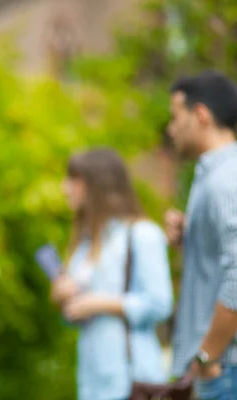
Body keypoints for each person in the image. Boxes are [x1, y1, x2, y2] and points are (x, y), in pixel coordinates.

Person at [51, 148, 173, 400]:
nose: (65, 188)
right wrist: (64, 298)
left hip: (132, 378)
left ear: (98, 184)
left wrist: (101, 303)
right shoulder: (86, 242)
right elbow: (75, 314)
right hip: (93, 382)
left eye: (74, 180)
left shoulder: (141, 234)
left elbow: (160, 304)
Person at [166, 70, 237, 399]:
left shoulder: (227, 179)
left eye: (175, 117)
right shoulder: (213, 174)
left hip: (225, 369)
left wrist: (208, 354)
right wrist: (188, 238)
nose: (171, 129)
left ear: (201, 115)